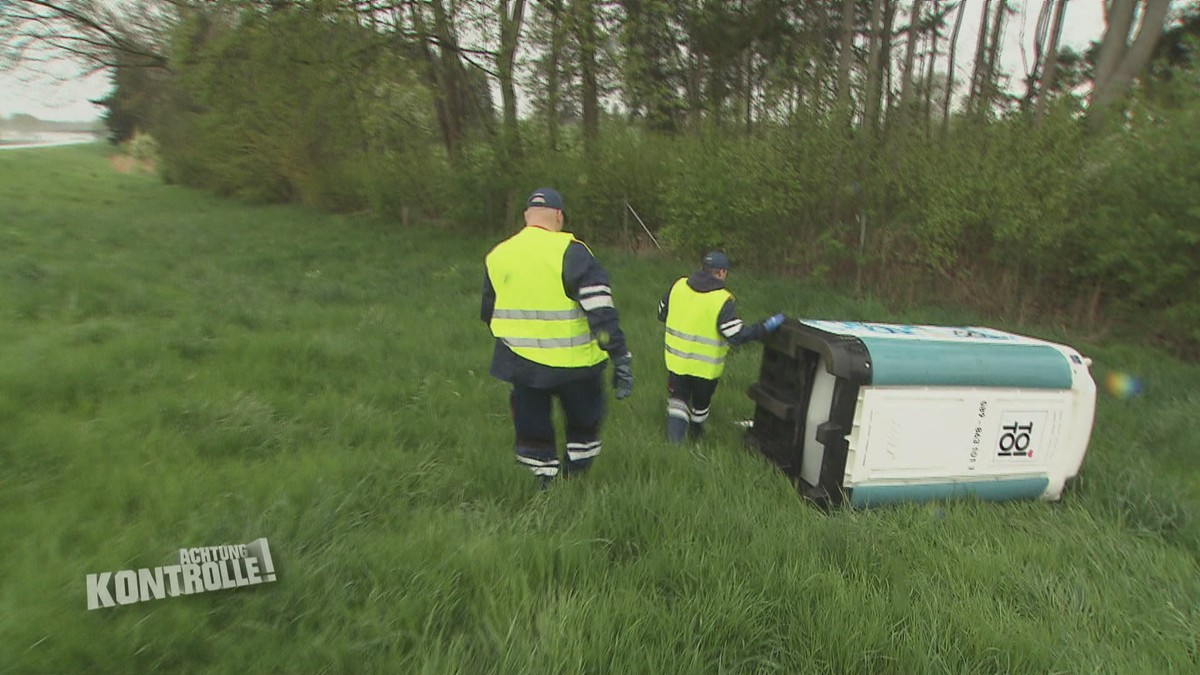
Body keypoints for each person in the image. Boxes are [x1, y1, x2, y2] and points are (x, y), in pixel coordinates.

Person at [482, 187, 634, 489]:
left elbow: (489, 312)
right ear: (559, 216)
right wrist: (621, 358)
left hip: (521, 363)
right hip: (575, 366)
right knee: (584, 421)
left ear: (527, 217)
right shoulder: (573, 252)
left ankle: (542, 484)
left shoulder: (498, 255)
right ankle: (576, 475)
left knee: (532, 426)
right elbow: (601, 313)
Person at [657, 251, 784, 444]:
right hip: (705, 369)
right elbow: (736, 335)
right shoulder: (722, 299)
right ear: (722, 272)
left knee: (678, 399)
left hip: (676, 360)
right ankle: (695, 437)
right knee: (700, 405)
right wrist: (764, 327)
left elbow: (661, 313)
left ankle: (674, 447)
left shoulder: (678, 286)